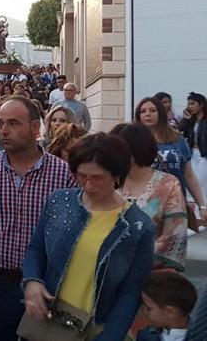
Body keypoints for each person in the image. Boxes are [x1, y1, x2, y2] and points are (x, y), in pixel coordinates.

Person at [0, 97, 76, 341]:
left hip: (47, 285)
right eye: (0, 123)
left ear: (35, 128)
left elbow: (74, 232)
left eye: (13, 123)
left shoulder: (63, 174)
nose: (4, 130)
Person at [22, 132, 155, 341]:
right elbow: (36, 249)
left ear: (117, 175)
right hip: (48, 322)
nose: (88, 185)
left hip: (97, 328)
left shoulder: (138, 227)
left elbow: (131, 291)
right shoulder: (59, 202)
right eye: (81, 176)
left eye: (97, 177)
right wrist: (32, 281)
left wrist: (110, 336)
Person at [110, 123, 187, 271]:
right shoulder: (108, 181)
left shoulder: (168, 185)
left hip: (150, 275)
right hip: (105, 274)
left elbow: (175, 237)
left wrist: (132, 260)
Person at [136, 96, 207, 226]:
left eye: (152, 110)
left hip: (175, 206)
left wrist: (202, 205)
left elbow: (189, 176)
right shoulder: (133, 141)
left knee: (174, 244)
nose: (148, 114)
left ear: (161, 114)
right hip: (144, 206)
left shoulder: (177, 139)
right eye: (143, 111)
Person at [137, 270, 198, 341]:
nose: (143, 311)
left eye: (149, 308)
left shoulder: (200, 336)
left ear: (169, 311)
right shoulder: (146, 335)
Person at [180, 92, 207, 195]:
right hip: (192, 154)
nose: (190, 107)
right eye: (188, 104)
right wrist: (185, 120)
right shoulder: (191, 120)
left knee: (200, 182)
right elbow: (180, 132)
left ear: (201, 105)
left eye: (192, 104)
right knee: (191, 182)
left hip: (204, 155)